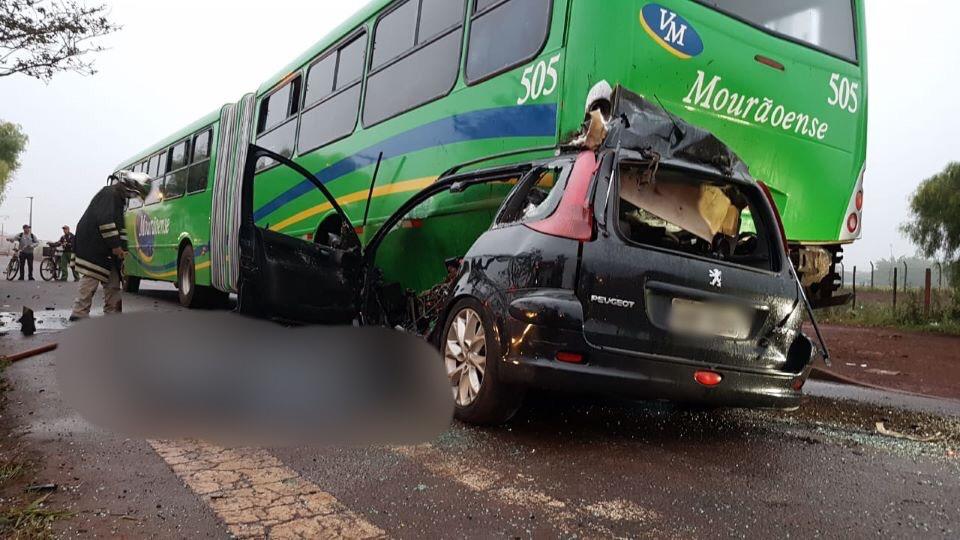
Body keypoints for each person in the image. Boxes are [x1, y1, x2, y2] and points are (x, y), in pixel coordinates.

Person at [70, 172, 150, 321]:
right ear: (132, 187)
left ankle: (112, 314)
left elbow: (120, 228)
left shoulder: (118, 199)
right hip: (93, 244)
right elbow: (105, 221)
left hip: (105, 247)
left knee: (113, 281)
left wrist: (123, 249)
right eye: (136, 194)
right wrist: (115, 246)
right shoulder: (109, 194)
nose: (134, 197)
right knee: (91, 276)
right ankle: (79, 313)